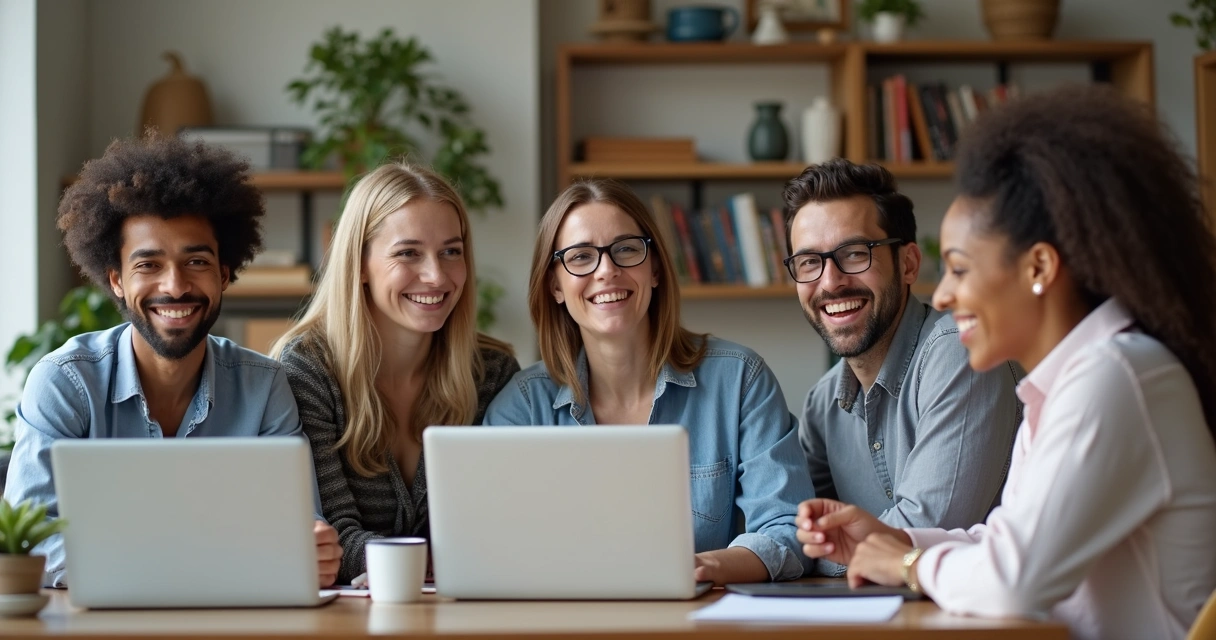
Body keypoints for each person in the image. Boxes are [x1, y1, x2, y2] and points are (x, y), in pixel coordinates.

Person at [796, 85, 1216, 640]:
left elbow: (1013, 579)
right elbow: (1004, 542)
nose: (942, 296)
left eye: (961, 269)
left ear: (1038, 267)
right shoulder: (1069, 384)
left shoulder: (1117, 376)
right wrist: (895, 542)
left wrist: (906, 566)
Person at [3, 135, 341, 587]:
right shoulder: (65, 383)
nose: (175, 286)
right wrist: (198, 565)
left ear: (224, 274)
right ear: (117, 280)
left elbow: (298, 531)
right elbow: (32, 545)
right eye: (148, 265)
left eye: (196, 261)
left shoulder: (264, 388)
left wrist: (313, 549)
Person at [483, 179, 813, 585]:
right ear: (555, 285)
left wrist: (703, 567)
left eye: (626, 249)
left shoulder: (741, 378)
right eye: (581, 256)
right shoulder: (521, 406)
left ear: (654, 268)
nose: (607, 270)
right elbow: (494, 545)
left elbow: (787, 528)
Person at [273, 163, 519, 585]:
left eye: (451, 251)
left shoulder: (491, 372)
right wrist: (436, 561)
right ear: (361, 264)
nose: (437, 276)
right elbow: (332, 541)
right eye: (408, 253)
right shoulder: (306, 370)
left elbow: (504, 526)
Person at [783, 159, 1021, 575]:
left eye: (854, 253)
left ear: (908, 264)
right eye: (808, 262)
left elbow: (926, 531)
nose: (830, 281)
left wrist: (830, 553)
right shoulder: (824, 403)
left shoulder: (960, 354)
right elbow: (799, 536)